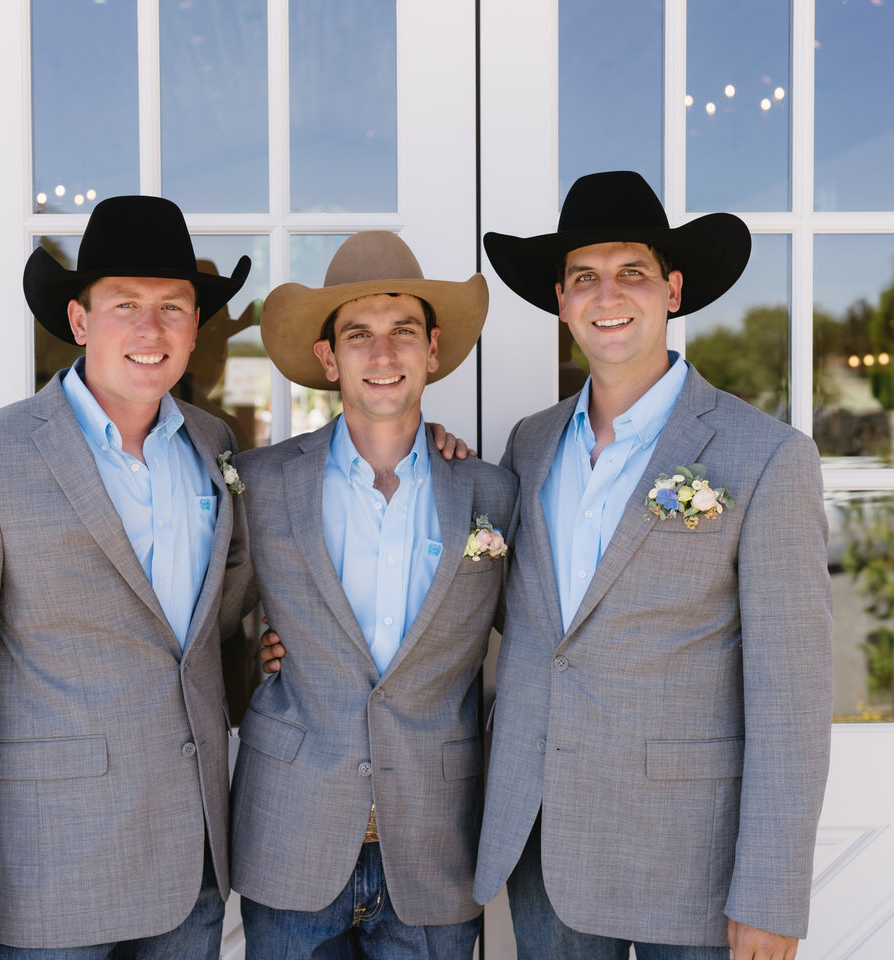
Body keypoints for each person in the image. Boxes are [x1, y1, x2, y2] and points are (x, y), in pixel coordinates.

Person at [473, 171, 833, 960]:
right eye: (585, 279)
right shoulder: (528, 448)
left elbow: (792, 699)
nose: (609, 296)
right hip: (543, 840)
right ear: (562, 301)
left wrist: (772, 893)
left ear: (672, 290)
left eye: (631, 273)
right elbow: (504, 610)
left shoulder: (766, 456)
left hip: (691, 862)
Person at [0, 195, 253, 960]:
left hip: (193, 869)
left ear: (196, 325)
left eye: (172, 307)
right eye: (125, 304)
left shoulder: (215, 446)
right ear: (81, 320)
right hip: (49, 878)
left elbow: (211, 629)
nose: (150, 330)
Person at [229, 231, 517, 959]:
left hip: (435, 844)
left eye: (403, 333)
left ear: (433, 350)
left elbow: (540, 648)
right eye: (358, 335)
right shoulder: (261, 484)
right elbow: (204, 631)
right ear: (328, 359)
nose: (382, 355)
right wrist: (259, 661)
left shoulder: (492, 492)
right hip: (292, 838)